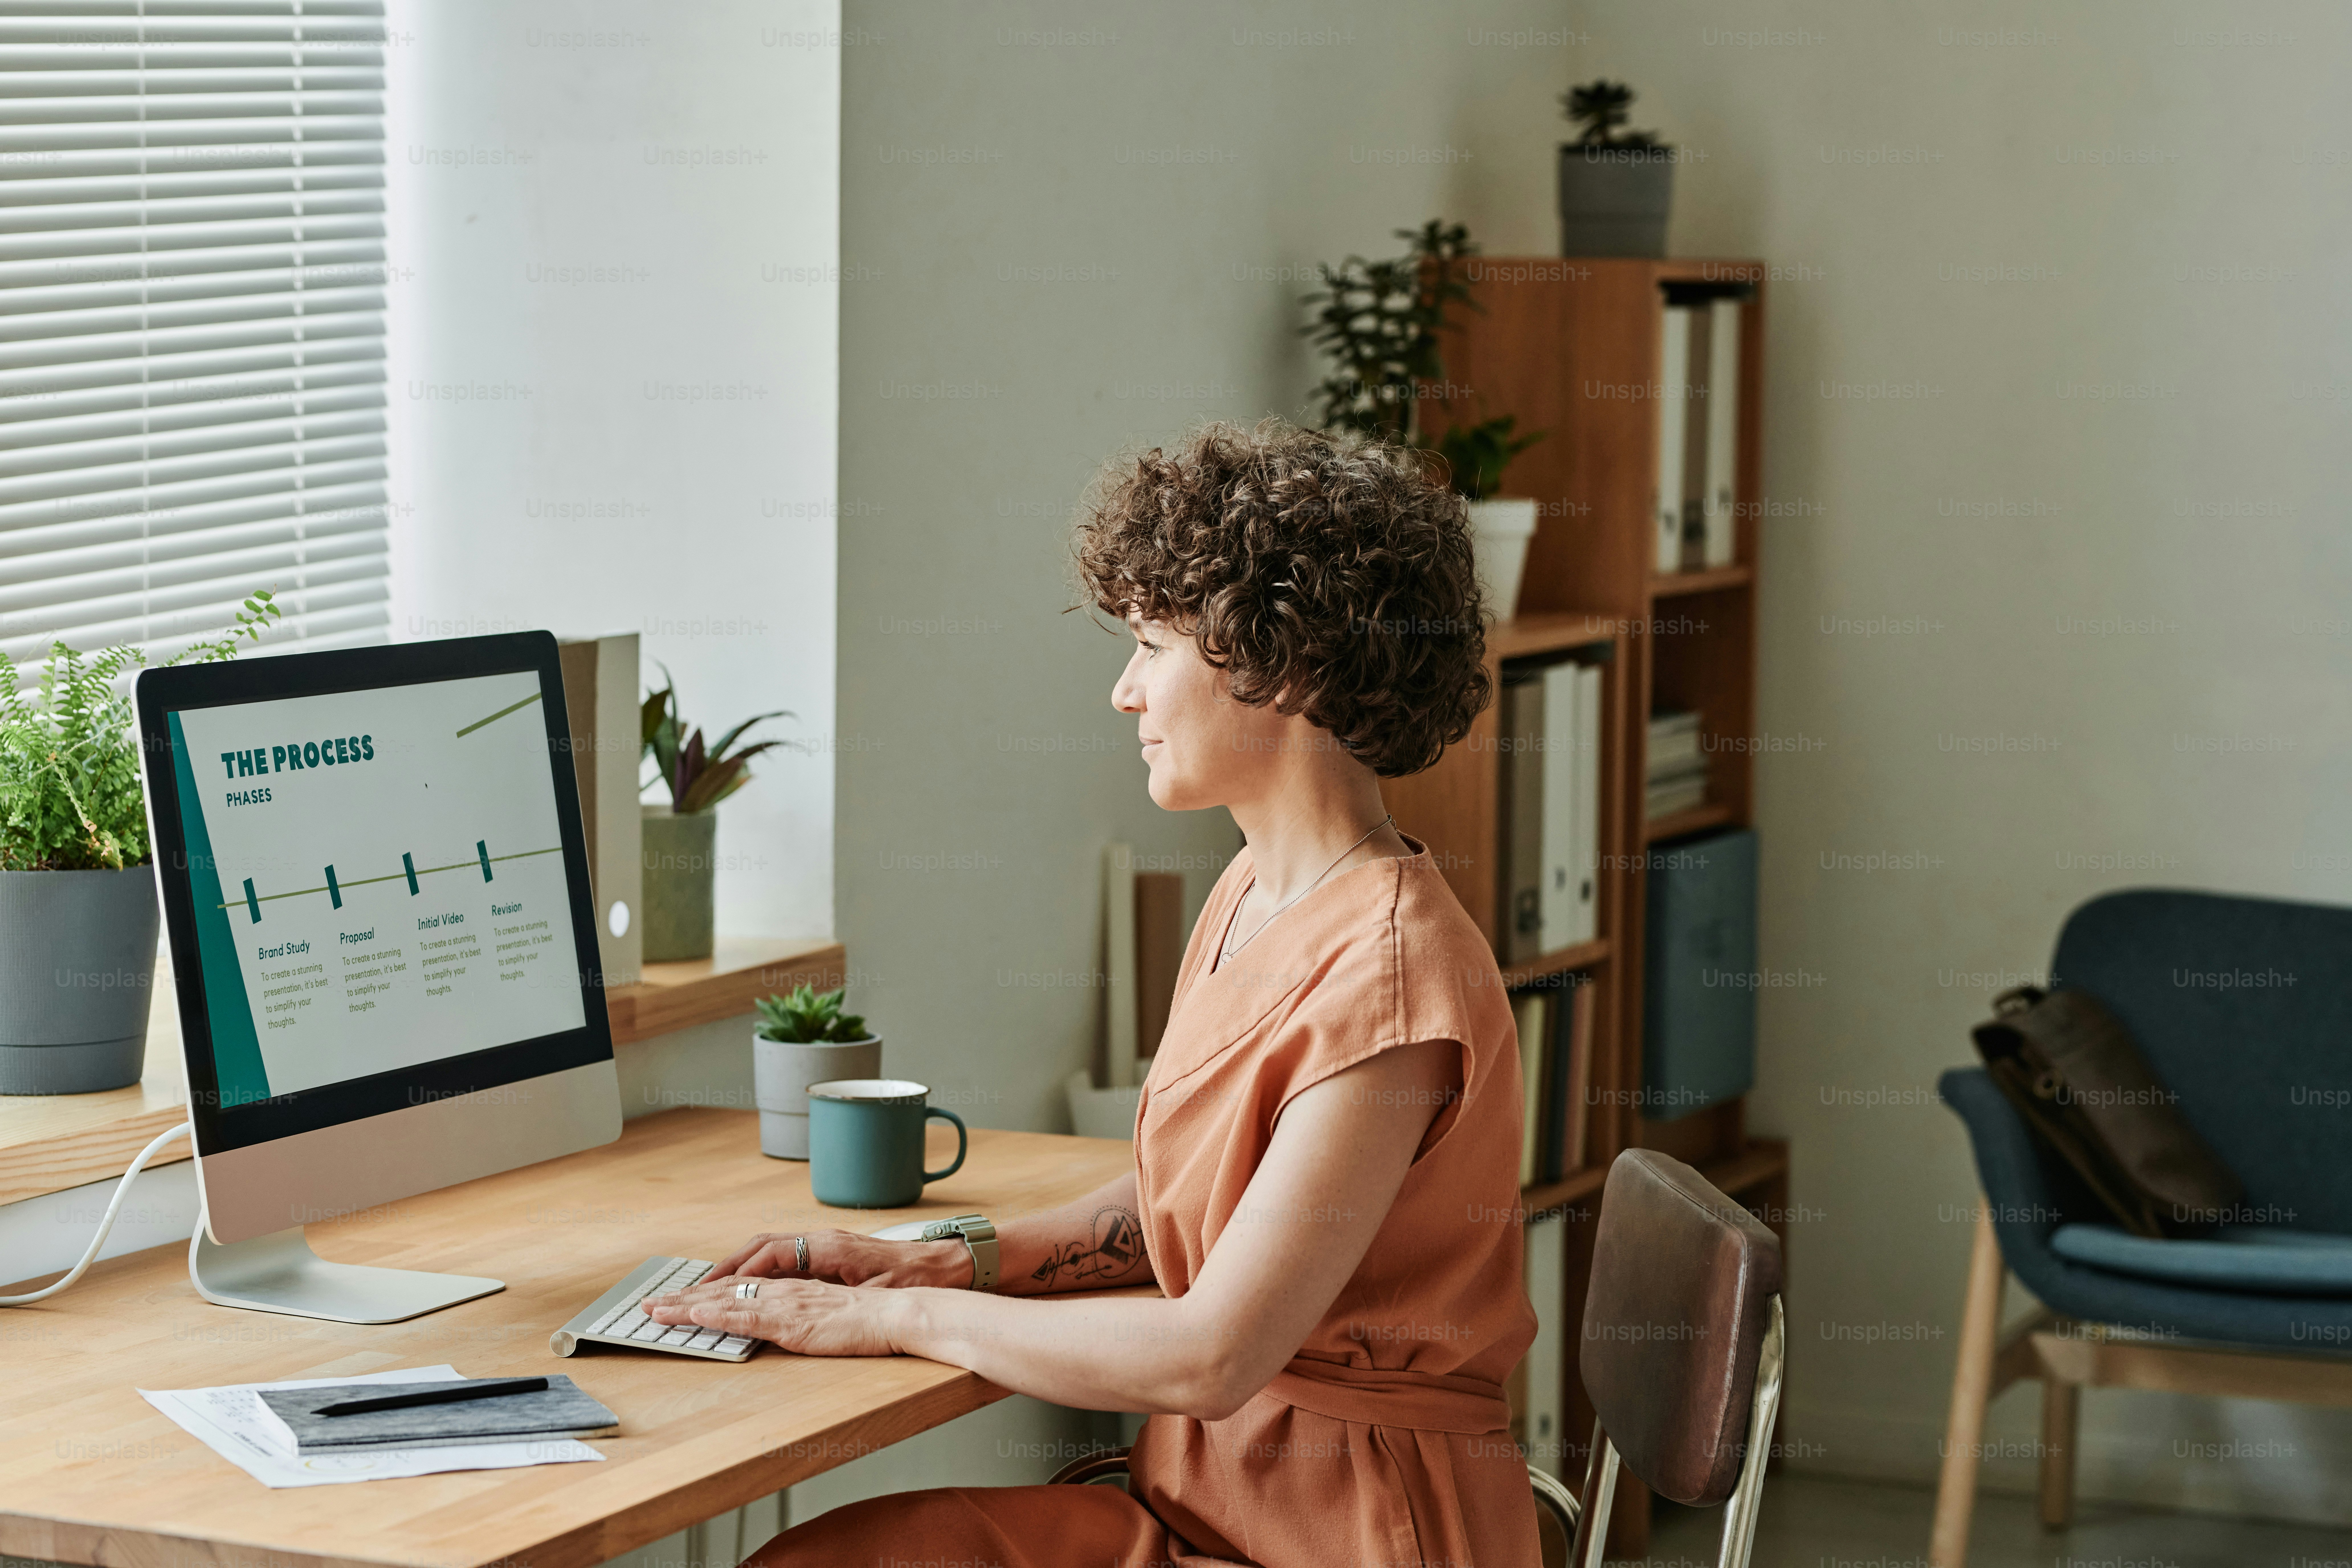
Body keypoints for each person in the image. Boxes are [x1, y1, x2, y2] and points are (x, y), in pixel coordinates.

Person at [647, 418, 1539, 1567]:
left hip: (1343, 1532)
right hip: (1208, 1495)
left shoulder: (1392, 984)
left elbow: (1212, 1352)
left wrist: (890, 1316)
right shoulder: (1256, 890)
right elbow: (1193, 1204)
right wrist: (942, 1255)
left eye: (1153, 647)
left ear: (1286, 667)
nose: (1125, 692)